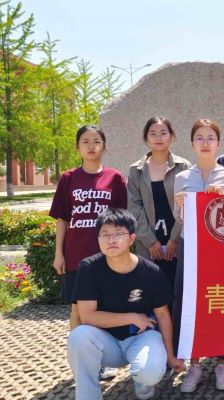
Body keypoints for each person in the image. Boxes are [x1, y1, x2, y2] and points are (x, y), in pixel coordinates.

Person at [67, 208, 185, 400]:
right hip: (107, 344)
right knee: (78, 336)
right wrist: (132, 317)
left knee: (150, 371)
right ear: (98, 239)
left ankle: (143, 385)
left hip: (141, 338)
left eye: (118, 234)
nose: (111, 240)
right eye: (105, 235)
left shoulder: (151, 272)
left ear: (132, 239)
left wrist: (171, 357)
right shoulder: (89, 268)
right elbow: (86, 316)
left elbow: (163, 315)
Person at [50, 125, 127, 380]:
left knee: (103, 310)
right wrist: (58, 254)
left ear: (104, 146)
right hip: (76, 256)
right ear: (77, 147)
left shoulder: (115, 178)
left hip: (107, 257)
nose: (91, 146)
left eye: (96, 141)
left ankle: (101, 362)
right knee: (77, 311)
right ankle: (80, 364)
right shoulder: (68, 178)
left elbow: (122, 220)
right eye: (85, 141)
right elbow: (62, 219)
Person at [174, 119, 224, 393]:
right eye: (199, 138)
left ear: (218, 143)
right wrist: (181, 204)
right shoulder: (181, 178)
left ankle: (223, 364)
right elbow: (180, 218)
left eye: (210, 138)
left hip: (220, 252)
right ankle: (194, 364)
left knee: (221, 303)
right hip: (190, 249)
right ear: (192, 143)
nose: (205, 142)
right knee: (191, 305)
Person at [127, 116, 191, 294]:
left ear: (171, 136)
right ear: (146, 138)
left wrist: (175, 239)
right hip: (148, 245)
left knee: (179, 292)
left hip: (178, 242)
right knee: (151, 293)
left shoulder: (183, 166)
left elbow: (187, 205)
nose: (158, 137)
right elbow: (134, 207)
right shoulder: (136, 170)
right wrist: (150, 241)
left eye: (163, 132)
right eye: (152, 133)